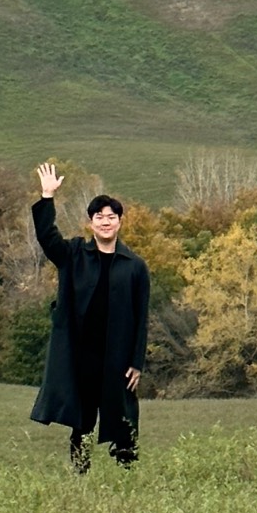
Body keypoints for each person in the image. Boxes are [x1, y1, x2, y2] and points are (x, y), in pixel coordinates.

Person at [29, 161, 150, 471]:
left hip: (119, 361)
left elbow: (141, 317)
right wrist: (47, 196)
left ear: (120, 222)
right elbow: (46, 237)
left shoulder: (135, 267)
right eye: (100, 217)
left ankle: (128, 476)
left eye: (111, 217)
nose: (105, 222)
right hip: (81, 356)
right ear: (91, 223)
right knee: (81, 422)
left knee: (124, 422)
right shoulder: (73, 255)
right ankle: (79, 476)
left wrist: (137, 362)